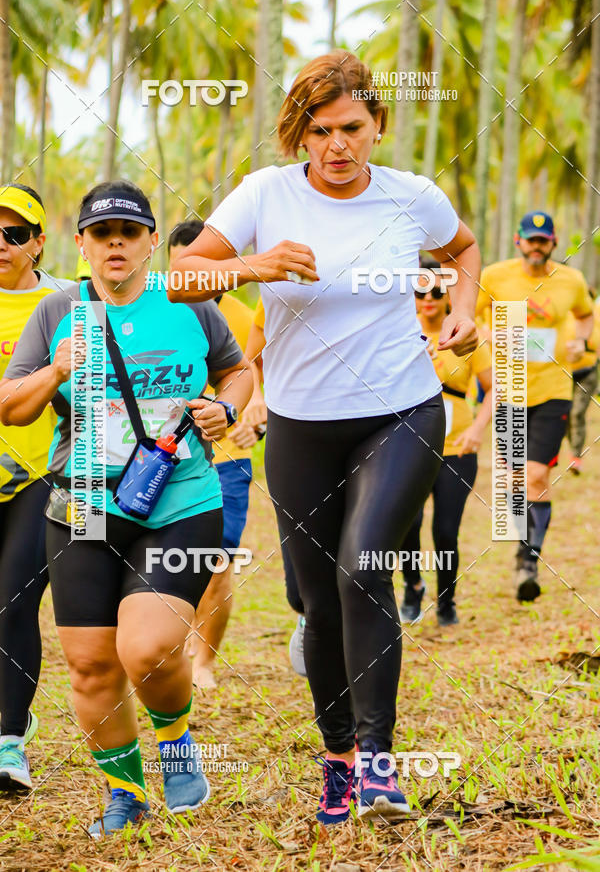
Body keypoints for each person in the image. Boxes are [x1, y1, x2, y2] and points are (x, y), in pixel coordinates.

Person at [169, 50, 480, 823]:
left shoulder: (413, 196)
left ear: (377, 125)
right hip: (303, 423)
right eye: (320, 131)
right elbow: (179, 274)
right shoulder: (265, 195)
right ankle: (338, 757)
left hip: (401, 409)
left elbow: (464, 250)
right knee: (315, 599)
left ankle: (379, 762)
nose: (337, 146)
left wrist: (466, 312)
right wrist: (253, 264)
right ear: (299, 135)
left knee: (361, 567)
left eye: (351, 128)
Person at [0, 181, 252, 835]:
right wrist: (54, 372)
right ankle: (125, 791)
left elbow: (237, 370)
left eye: (130, 232)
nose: (116, 243)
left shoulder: (189, 303)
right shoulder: (57, 311)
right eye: (102, 233)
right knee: (89, 663)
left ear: (149, 242)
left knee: (148, 648)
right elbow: (11, 406)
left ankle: (174, 738)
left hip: (180, 498)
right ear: (80, 243)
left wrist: (226, 408)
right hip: (82, 502)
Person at [477, 211, 594, 602]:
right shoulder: (494, 276)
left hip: (552, 390)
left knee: (536, 476)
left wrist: (581, 341)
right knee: (512, 481)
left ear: (554, 243)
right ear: (518, 241)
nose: (537, 246)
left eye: (544, 240)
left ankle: (529, 561)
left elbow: (585, 315)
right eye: (531, 239)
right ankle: (520, 550)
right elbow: (473, 316)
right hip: (508, 387)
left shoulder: (571, 280)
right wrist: (486, 336)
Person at [168, 220, 261, 689]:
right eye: (188, 264)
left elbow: (260, 380)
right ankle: (171, 646)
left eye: (209, 266)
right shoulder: (154, 311)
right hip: (158, 463)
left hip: (224, 461)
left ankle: (204, 660)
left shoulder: (245, 317)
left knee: (218, 562)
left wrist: (255, 419)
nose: (199, 275)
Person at [0, 184, 66, 790]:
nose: (1, 244)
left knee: (15, 600)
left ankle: (9, 742)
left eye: (14, 233)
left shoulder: (65, 302)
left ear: (38, 242)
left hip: (39, 475)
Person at [400, 261, 492, 627]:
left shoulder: (465, 333)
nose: (428, 300)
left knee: (445, 531)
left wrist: (478, 430)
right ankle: (412, 587)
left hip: (457, 448)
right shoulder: (399, 332)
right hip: (408, 447)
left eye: (437, 292)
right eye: (420, 292)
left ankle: (447, 600)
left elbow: (495, 387)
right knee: (408, 524)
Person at [246, 301, 306, 676]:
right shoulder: (280, 291)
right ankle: (306, 615)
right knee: (300, 535)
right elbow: (250, 358)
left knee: (359, 553)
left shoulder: (373, 282)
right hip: (295, 431)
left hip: (362, 431)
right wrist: (255, 397)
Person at [565, 292, 600, 474]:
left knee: (577, 413)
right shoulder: (565, 314)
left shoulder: (595, 315)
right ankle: (572, 449)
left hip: (588, 373)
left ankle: (576, 457)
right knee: (567, 415)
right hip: (565, 373)